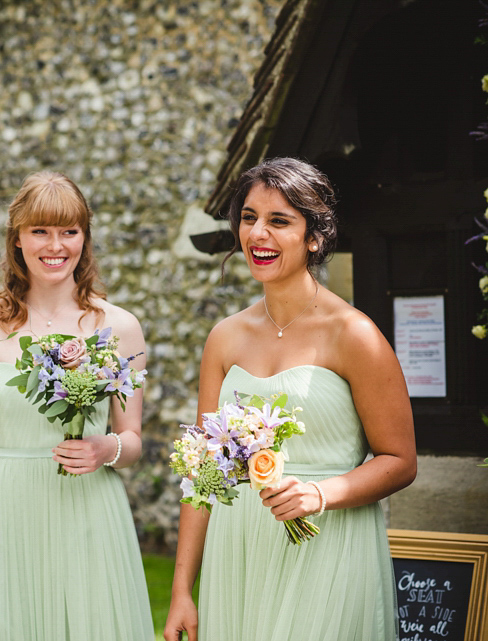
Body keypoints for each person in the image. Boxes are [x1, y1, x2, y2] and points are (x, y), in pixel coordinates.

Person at [163, 157, 416, 641]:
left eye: (280, 221)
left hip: (328, 546)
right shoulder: (224, 338)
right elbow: (205, 474)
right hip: (237, 552)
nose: (259, 233)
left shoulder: (354, 334)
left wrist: (321, 494)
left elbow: (400, 460)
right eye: (249, 217)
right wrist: (182, 589)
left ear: (314, 237)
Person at [0, 170, 154, 640]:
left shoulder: (119, 327)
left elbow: (133, 440)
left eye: (68, 232)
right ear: (17, 240)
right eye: (40, 231)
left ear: (84, 239)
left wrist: (105, 449)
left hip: (88, 512)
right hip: (1, 514)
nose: (55, 246)